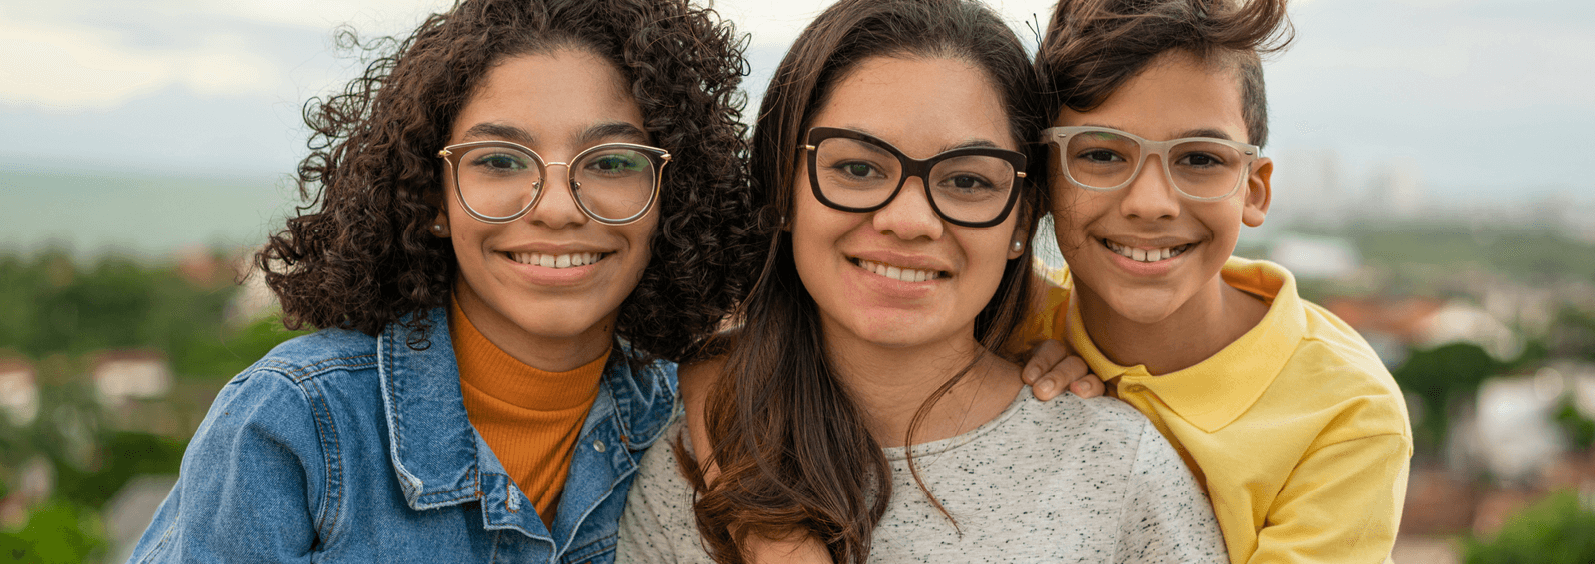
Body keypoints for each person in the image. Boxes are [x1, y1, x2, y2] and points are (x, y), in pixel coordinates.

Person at [126, 0, 759, 561]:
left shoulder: (691, 427)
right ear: (434, 196)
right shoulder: (293, 426)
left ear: (671, 198)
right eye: (500, 160)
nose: (559, 207)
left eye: (613, 162)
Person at [615, 0, 1226, 562]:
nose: (908, 221)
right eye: (857, 167)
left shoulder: (1117, 468)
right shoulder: (688, 469)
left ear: (1022, 220)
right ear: (784, 190)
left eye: (967, 181)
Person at [1021, 0, 1416, 562]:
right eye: (1103, 154)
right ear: (1041, 179)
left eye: (1200, 159)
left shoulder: (1346, 414)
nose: (1151, 204)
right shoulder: (1000, 323)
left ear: (1254, 189)